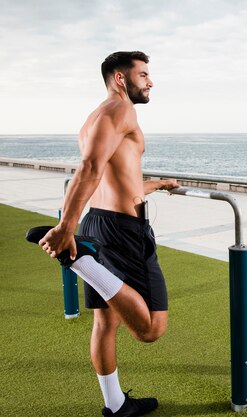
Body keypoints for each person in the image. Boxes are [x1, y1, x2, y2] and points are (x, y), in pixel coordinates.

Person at [32, 51, 179, 417]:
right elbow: (91, 167)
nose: (150, 81)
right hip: (122, 231)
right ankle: (81, 259)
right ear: (119, 78)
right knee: (151, 328)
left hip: (99, 222)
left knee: (105, 321)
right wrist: (66, 228)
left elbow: (115, 179)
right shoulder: (121, 110)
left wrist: (158, 183)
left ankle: (115, 405)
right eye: (143, 74)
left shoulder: (94, 118)